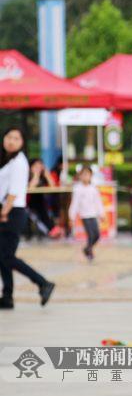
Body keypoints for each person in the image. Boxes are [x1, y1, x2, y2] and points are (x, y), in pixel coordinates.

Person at [0, 127, 55, 309]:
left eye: (16, 138)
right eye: (9, 137)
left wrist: (4, 212)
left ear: (22, 142)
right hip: (7, 210)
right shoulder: (9, 160)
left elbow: (14, 191)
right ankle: (7, 296)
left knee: (6, 256)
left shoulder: (19, 163)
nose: (11, 141)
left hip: (11, 212)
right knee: (3, 256)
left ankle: (42, 283)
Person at [68, 166, 105, 261]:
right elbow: (74, 204)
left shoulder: (93, 188)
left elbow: (98, 202)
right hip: (84, 215)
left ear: (91, 176)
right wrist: (71, 217)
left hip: (93, 215)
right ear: (80, 176)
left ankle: (87, 248)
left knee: (97, 235)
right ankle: (89, 251)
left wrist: (101, 214)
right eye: (83, 174)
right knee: (91, 235)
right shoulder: (78, 189)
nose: (85, 177)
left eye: (87, 174)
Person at [26, 158, 57, 238]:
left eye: (40, 165)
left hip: (41, 201)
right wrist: (35, 175)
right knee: (38, 215)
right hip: (29, 202)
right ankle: (49, 231)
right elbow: (30, 188)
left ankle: (52, 230)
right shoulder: (28, 175)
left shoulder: (43, 176)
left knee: (46, 211)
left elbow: (53, 186)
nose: (38, 168)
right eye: (36, 166)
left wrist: (47, 175)